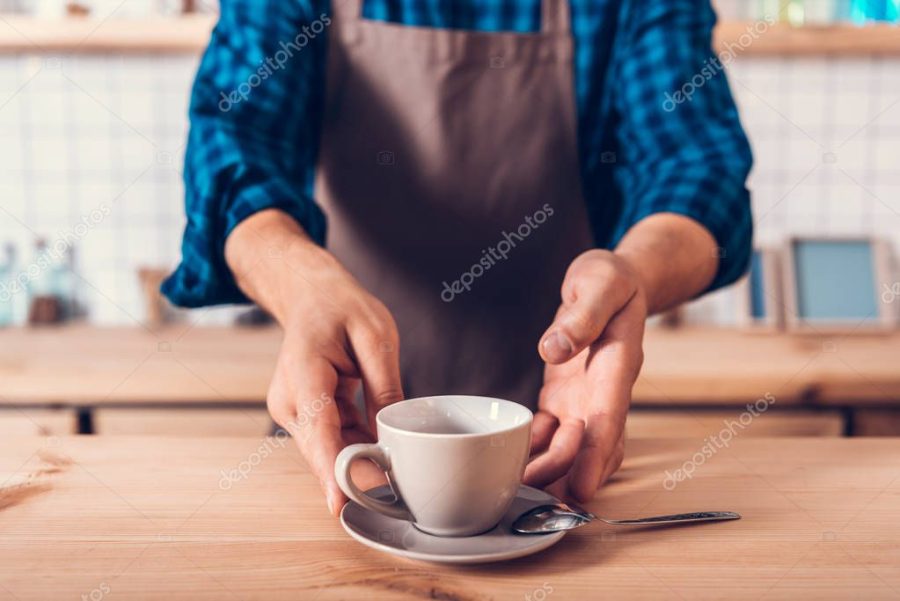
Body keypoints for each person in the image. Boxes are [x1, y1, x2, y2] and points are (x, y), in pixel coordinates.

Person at [163, 0, 752, 516]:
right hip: (338, 429)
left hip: (558, 438)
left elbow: (696, 169)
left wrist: (634, 273)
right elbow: (235, 138)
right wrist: (301, 284)